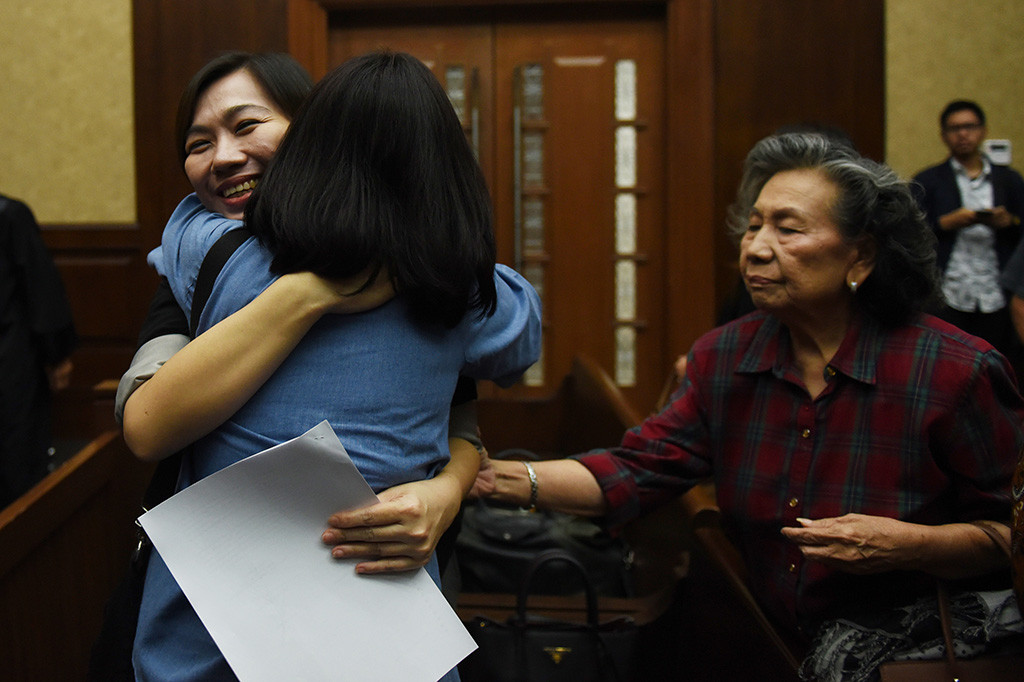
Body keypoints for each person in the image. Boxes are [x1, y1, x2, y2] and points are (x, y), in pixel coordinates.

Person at [478, 132, 1024, 681]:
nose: (756, 246)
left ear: (861, 253)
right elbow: (636, 470)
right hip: (771, 649)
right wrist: (485, 479)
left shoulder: (955, 371)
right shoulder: (726, 357)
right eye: (756, 224)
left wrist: (914, 546)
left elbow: (1012, 532)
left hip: (912, 660)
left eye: (787, 229)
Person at [124, 51, 541, 681]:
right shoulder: (460, 290)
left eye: (248, 126)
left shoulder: (204, 244)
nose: (225, 158)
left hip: (212, 610)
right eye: (199, 143)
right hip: (364, 618)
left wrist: (447, 490)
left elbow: (462, 428)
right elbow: (517, 342)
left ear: (310, 134)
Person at [912, 100, 1024, 374]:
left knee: (997, 367)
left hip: (997, 290)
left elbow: (1022, 226)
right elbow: (907, 234)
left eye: (970, 127)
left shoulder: (1008, 180)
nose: (963, 134)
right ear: (943, 135)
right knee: (947, 366)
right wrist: (944, 223)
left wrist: (1008, 221)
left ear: (983, 131)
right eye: (955, 128)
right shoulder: (927, 181)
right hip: (947, 290)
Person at [0, 193, 76, 507]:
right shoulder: (9, 215)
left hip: (11, 359)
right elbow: (41, 289)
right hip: (9, 366)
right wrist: (57, 356)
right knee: (19, 476)